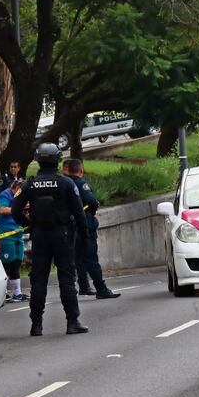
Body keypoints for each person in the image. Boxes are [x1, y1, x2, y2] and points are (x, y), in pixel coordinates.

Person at [12, 143, 89, 337]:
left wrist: (28, 224)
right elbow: (80, 213)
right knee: (67, 279)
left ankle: (36, 325)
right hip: (62, 235)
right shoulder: (66, 183)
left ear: (38, 159)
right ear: (58, 159)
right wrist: (84, 237)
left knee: (38, 281)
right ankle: (72, 322)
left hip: (40, 236)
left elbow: (15, 211)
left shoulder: (29, 184)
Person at [63, 158, 120, 300]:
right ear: (81, 170)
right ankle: (101, 288)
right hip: (84, 224)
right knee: (90, 257)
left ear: (67, 170)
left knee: (78, 258)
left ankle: (83, 286)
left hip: (68, 227)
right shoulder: (81, 183)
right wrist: (92, 212)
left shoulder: (63, 184)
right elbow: (92, 201)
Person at [0, 180, 27, 303]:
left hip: (18, 233)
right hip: (6, 233)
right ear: (15, 187)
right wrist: (17, 209)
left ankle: (17, 293)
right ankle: (2, 293)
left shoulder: (22, 196)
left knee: (17, 262)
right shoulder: (5, 195)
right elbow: (1, 210)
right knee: (6, 264)